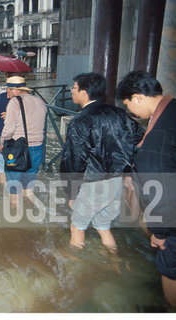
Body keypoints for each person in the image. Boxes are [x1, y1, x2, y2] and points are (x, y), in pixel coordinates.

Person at [60, 72, 144, 249]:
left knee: (77, 227)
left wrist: (71, 192)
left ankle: (76, 270)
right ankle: (114, 263)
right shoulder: (119, 114)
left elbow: (75, 160)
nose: (71, 91)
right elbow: (139, 139)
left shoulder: (81, 120)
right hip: (115, 182)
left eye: (74, 88)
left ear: (84, 93)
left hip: (93, 184)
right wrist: (127, 172)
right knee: (103, 226)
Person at [116, 71, 176, 307]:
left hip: (172, 226)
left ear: (138, 97)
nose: (130, 111)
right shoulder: (171, 111)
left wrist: (160, 233)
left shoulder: (157, 138)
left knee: (170, 277)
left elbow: (162, 190)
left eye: (128, 104)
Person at [0, 76, 46, 205]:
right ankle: (28, 210)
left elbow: (9, 129)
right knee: (29, 184)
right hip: (37, 148)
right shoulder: (40, 101)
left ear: (15, 90)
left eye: (8, 90)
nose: (7, 95)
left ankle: (15, 216)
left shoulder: (14, 102)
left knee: (13, 186)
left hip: (17, 149)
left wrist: (3, 142)